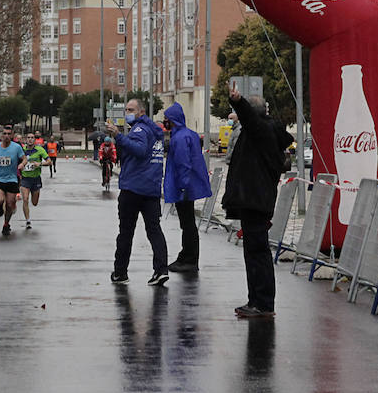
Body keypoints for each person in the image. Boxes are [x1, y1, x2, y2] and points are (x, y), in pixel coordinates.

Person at [223, 87, 294, 319]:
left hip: (256, 200)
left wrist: (237, 101)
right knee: (253, 252)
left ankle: (263, 303)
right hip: (254, 200)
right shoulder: (264, 131)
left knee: (258, 253)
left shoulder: (261, 131)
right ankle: (256, 300)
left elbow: (250, 120)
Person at [107, 98, 169, 286]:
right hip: (151, 189)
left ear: (141, 112)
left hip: (133, 188)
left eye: (131, 109)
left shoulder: (140, 130)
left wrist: (118, 135)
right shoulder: (155, 132)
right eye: (126, 109)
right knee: (154, 230)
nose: (127, 112)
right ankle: (161, 270)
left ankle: (120, 272)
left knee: (126, 232)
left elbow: (140, 151)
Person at [162, 102, 211, 274]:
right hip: (188, 185)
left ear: (173, 120)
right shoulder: (188, 134)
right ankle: (186, 256)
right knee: (188, 223)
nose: (164, 122)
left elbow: (183, 164)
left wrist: (182, 187)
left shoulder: (180, 137)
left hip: (184, 187)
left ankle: (189, 259)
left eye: (166, 119)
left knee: (188, 224)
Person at [0, 125, 25, 237]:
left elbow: (24, 158)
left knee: (10, 205)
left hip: (12, 179)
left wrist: (22, 164)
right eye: (4, 134)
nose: (6, 136)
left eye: (9, 134)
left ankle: (6, 224)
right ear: (1, 135)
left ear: (12, 135)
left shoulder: (16, 147)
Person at [18, 136, 49, 229]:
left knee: (34, 203)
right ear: (25, 140)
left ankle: (29, 215)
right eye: (28, 137)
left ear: (34, 140)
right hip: (25, 179)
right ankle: (28, 221)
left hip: (36, 179)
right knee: (25, 199)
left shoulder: (40, 150)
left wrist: (39, 164)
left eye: (32, 138)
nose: (30, 139)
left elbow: (49, 161)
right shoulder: (21, 150)